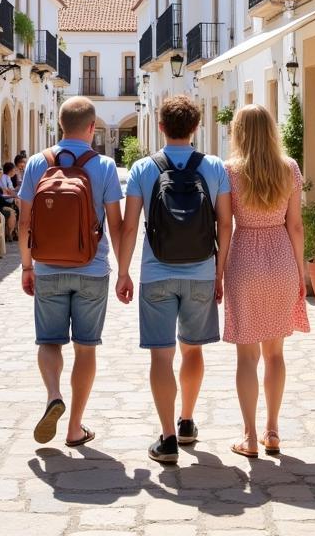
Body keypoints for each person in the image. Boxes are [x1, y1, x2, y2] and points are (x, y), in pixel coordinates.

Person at [116, 94, 232, 465]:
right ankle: (186, 421)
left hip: (156, 273)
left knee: (161, 356)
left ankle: (166, 439)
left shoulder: (142, 168)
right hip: (201, 270)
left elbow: (130, 225)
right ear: (196, 127)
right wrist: (220, 271)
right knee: (192, 349)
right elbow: (225, 224)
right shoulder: (214, 166)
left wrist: (122, 272)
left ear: (161, 127)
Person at [19, 97, 124, 448]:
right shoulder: (105, 166)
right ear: (92, 128)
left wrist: (26, 265)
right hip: (91, 268)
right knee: (86, 348)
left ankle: (53, 395)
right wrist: (124, 269)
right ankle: (75, 427)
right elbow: (116, 223)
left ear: (60, 125)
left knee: (48, 341)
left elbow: (23, 221)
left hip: (47, 267)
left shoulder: (38, 162)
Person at [222, 105, 308, 458]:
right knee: (275, 354)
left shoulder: (229, 172)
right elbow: (297, 226)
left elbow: (224, 225)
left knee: (247, 356)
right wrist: (301, 275)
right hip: (281, 259)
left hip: (244, 260)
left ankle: (250, 436)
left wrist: (219, 271)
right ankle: (273, 430)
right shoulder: (289, 169)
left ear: (239, 132)